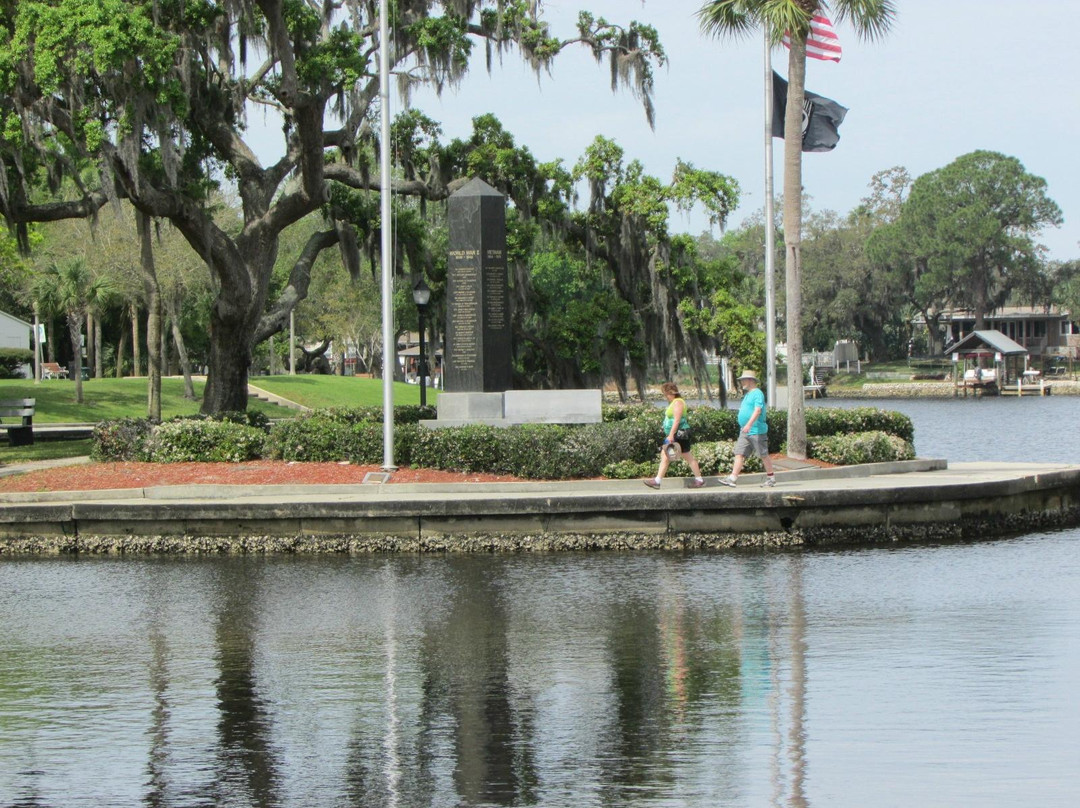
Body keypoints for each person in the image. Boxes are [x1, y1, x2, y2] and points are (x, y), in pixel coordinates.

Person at [719, 370, 776, 488]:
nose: (741, 382)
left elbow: (758, 410)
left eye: (743, 380)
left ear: (750, 380)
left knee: (763, 454)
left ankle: (771, 478)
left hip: (756, 430)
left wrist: (749, 424)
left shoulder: (757, 393)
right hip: (744, 431)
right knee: (739, 453)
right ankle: (733, 478)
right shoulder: (747, 394)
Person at [644, 383, 705, 489]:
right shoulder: (675, 402)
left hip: (679, 434)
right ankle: (698, 479)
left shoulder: (678, 403)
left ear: (670, 393)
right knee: (670, 455)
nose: (665, 396)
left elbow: (677, 420)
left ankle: (658, 481)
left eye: (666, 394)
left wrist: (671, 435)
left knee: (678, 455)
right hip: (677, 433)